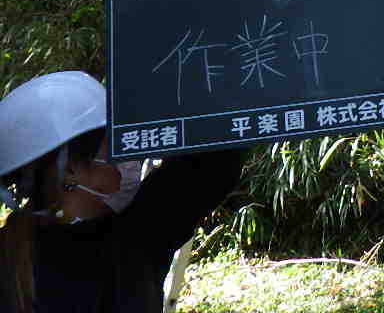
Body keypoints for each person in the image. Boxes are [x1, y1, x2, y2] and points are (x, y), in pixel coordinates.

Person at [0, 71, 246, 313]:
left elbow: (208, 167)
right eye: (115, 147)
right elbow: (212, 164)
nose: (130, 160)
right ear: (71, 169)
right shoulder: (135, 238)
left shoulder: (11, 252)